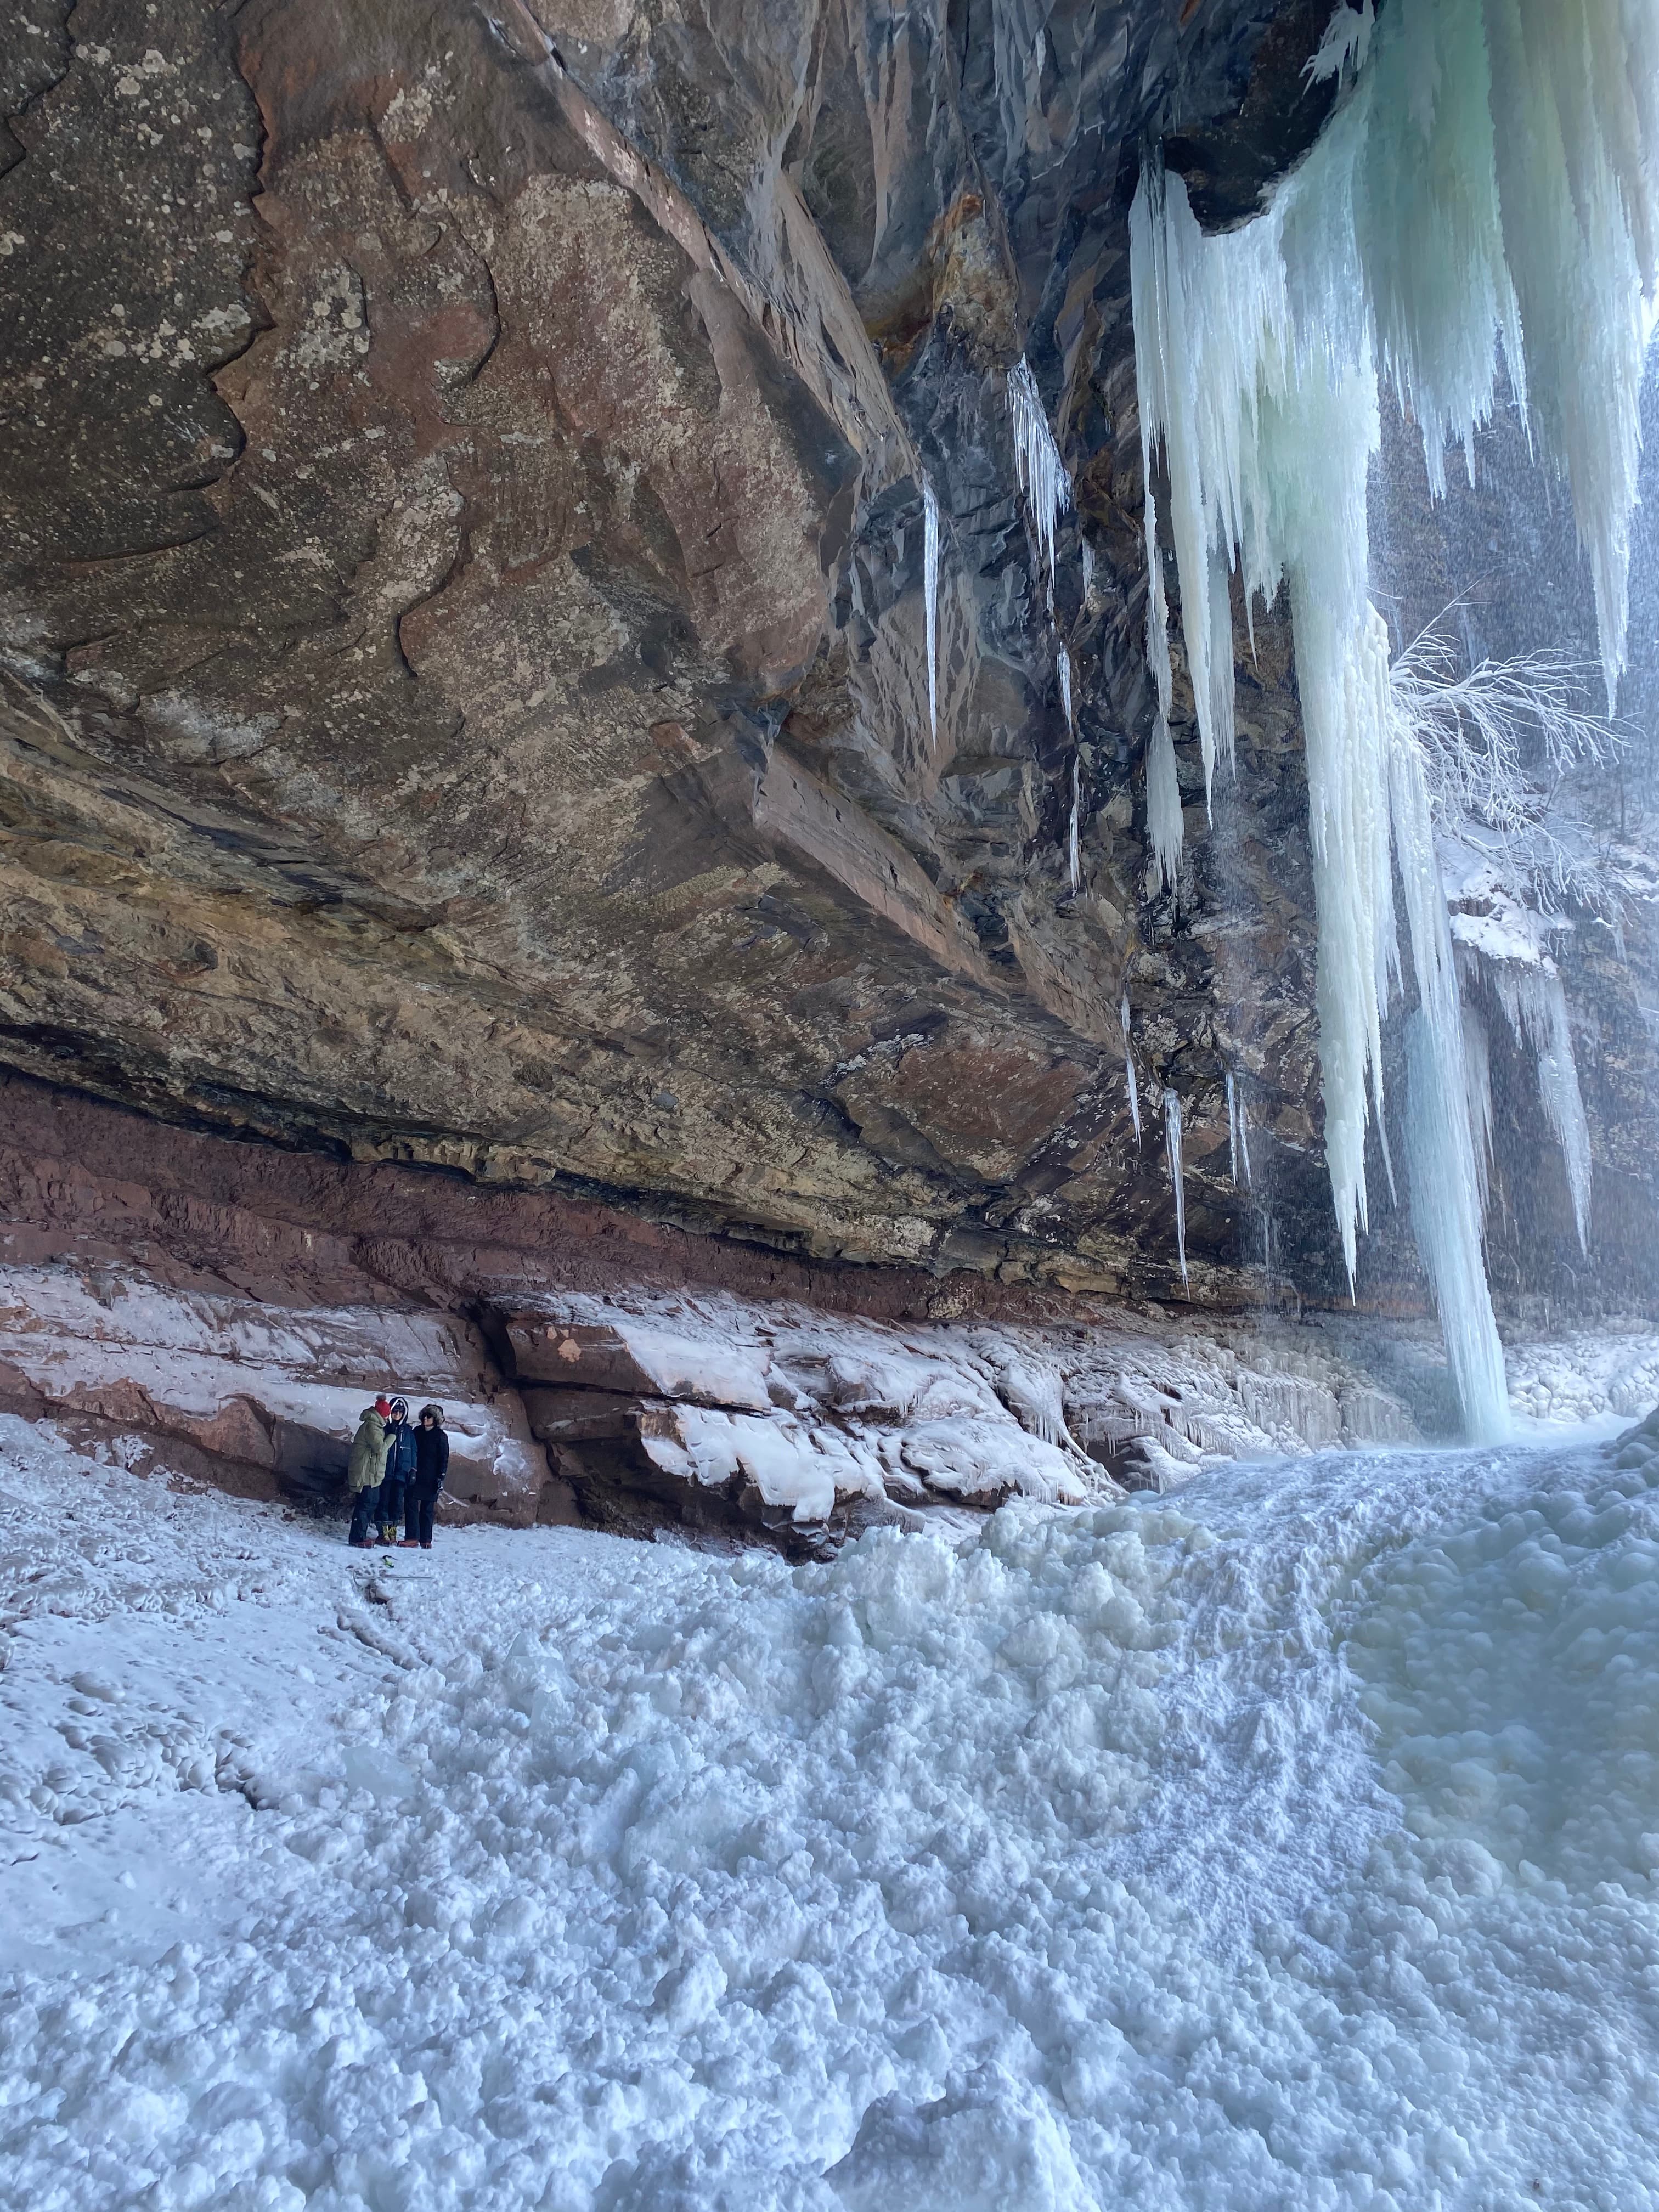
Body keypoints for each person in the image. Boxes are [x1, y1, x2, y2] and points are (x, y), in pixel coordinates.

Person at [401, 1403, 449, 1550]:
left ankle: (426, 1539)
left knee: (427, 1509)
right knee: (411, 1506)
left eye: (429, 1416)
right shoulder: (417, 1432)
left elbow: (444, 1458)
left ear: (436, 1419)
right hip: (415, 1474)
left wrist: (441, 1476)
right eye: (425, 1416)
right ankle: (412, 1537)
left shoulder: (441, 1436)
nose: (426, 1418)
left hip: (431, 1477)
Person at [347, 1396, 393, 1548]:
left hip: (371, 1474)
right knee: (365, 1505)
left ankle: (360, 1535)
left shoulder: (375, 1426)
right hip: (365, 1474)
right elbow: (380, 1448)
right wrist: (392, 1436)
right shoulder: (372, 1427)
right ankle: (357, 1538)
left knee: (370, 1504)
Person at [380, 1396, 416, 1547]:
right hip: (386, 1473)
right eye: (395, 1411)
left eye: (400, 1412)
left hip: (402, 1475)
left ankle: (393, 1529)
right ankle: (383, 1531)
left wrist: (413, 1470)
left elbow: (413, 1451)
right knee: (384, 1502)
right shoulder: (385, 1428)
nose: (397, 1414)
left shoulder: (408, 1431)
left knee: (397, 1503)